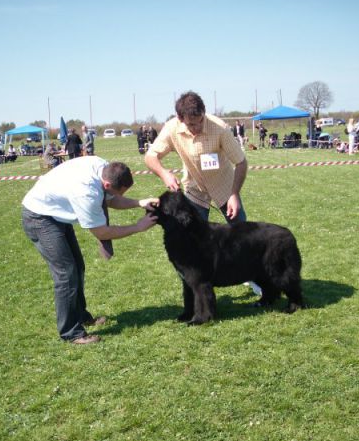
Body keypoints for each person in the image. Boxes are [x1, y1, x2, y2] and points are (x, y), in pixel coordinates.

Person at [21, 157, 158, 345]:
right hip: (39, 217)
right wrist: (137, 227)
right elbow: (102, 232)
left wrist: (139, 202)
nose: (119, 195)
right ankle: (71, 333)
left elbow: (111, 199)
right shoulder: (86, 193)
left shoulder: (102, 166)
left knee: (78, 266)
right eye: (119, 192)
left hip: (54, 213)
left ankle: (81, 316)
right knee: (66, 274)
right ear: (107, 183)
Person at [144, 91, 260, 295]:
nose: (197, 127)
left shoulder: (220, 128)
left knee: (243, 235)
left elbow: (241, 162)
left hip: (224, 187)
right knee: (191, 239)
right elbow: (150, 157)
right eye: (192, 124)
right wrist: (164, 174)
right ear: (180, 119)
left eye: (200, 122)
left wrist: (234, 193)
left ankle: (255, 278)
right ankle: (196, 281)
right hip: (194, 191)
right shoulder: (171, 128)